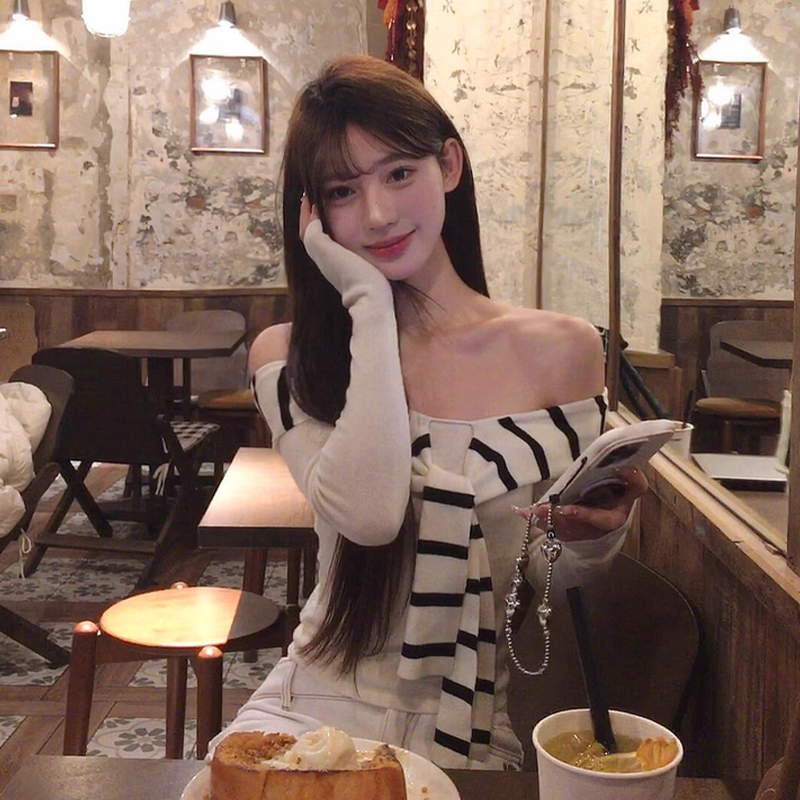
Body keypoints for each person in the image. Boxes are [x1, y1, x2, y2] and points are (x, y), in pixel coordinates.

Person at [209, 53, 648, 770]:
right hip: (309, 704)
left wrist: (593, 539)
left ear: (448, 165)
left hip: (471, 724)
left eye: (398, 173)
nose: (377, 213)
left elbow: (541, 582)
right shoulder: (288, 357)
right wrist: (366, 302)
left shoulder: (563, 350)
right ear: (312, 214)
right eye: (343, 190)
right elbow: (371, 514)